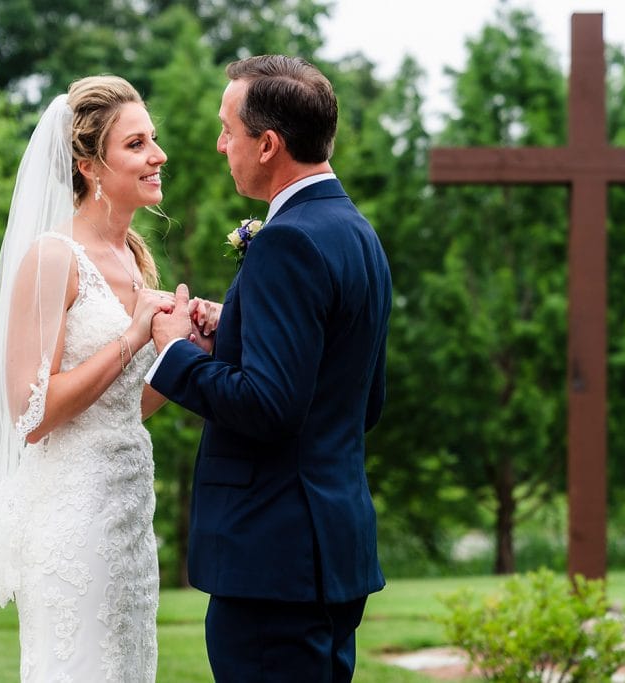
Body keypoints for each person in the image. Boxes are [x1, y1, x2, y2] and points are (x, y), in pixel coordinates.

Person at [148, 55, 393, 682]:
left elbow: (271, 406)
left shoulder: (287, 241)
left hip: (271, 559)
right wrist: (234, 336)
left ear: (268, 144)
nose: (219, 143)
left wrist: (175, 352)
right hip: (330, 549)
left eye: (228, 129)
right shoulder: (356, 233)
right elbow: (359, 400)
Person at [0, 75, 184, 682]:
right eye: (136, 144)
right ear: (89, 164)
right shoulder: (52, 256)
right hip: (72, 522)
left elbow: (124, 405)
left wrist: (184, 349)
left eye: (153, 139)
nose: (158, 155)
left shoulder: (136, 258)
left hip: (130, 512)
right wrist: (133, 337)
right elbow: (33, 414)